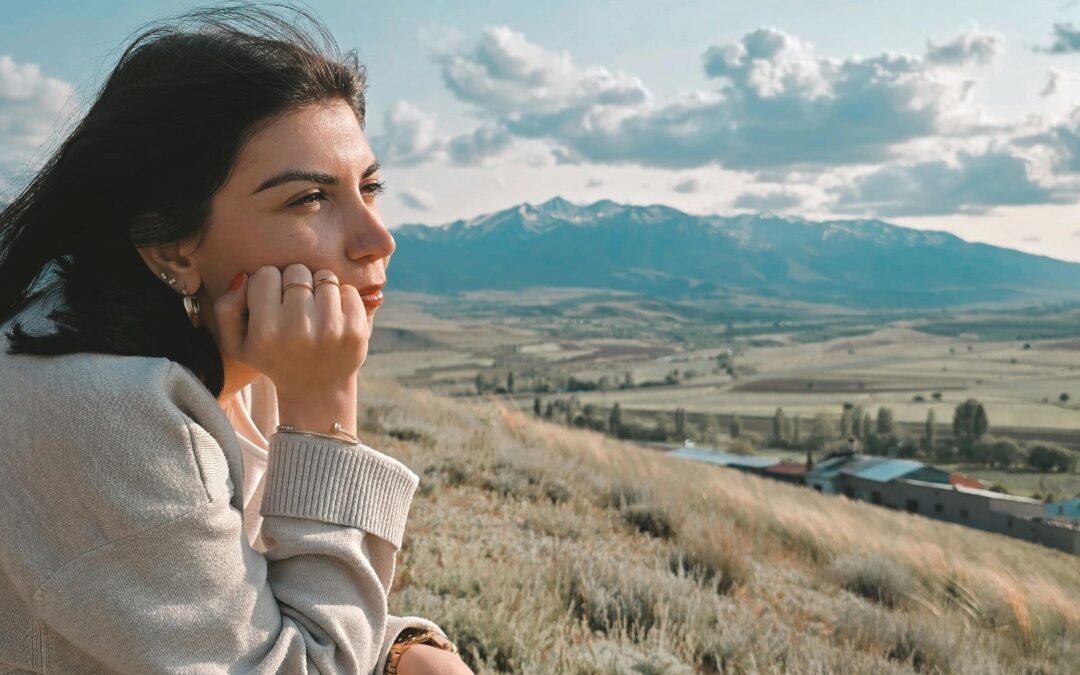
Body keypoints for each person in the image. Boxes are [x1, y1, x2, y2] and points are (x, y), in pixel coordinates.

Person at [0, 5, 471, 674]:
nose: (378, 239)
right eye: (309, 198)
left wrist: (407, 651)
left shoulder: (228, 345)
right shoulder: (105, 412)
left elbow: (236, 610)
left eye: (369, 187)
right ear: (172, 244)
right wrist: (325, 412)